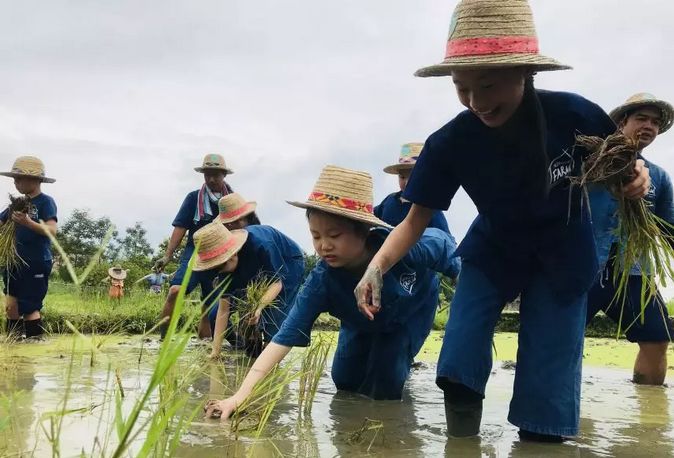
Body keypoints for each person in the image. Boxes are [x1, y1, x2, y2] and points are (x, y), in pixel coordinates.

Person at [353, 0, 651, 442]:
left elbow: (623, 169)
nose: (476, 102)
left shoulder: (574, 116)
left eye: (489, 85)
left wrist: (636, 179)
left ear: (525, 74)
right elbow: (415, 221)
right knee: (458, 358)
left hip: (563, 252)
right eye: (461, 88)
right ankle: (462, 444)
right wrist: (375, 267)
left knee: (546, 390)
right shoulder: (451, 142)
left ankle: (539, 443)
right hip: (493, 249)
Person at [204, 165, 460, 420]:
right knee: (345, 381)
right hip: (358, 320)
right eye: (315, 236)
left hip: (409, 315)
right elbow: (282, 339)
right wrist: (238, 397)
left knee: (386, 381)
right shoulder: (322, 281)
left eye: (334, 235)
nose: (324, 246)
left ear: (364, 231)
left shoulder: (403, 247)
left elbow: (443, 245)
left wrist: (462, 282)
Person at [588, 93, 674, 385]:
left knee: (657, 339)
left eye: (655, 122)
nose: (649, 126)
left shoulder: (659, 178)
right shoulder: (590, 162)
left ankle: (648, 419)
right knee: (564, 338)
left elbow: (669, 228)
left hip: (633, 272)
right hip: (584, 266)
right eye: (642, 118)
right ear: (623, 121)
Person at [191, 221, 305, 359]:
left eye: (221, 266)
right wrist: (215, 352)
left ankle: (268, 362)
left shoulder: (262, 245)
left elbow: (276, 284)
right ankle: (244, 347)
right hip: (250, 268)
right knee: (215, 314)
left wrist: (259, 307)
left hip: (287, 262)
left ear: (233, 254)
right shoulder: (221, 268)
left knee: (273, 318)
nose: (220, 273)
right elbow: (223, 309)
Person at [153, 153, 234, 338]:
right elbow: (180, 227)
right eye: (208, 174)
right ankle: (163, 340)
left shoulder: (231, 200)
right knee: (175, 290)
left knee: (209, 305)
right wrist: (167, 255)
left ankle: (204, 347)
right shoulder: (193, 198)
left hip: (221, 256)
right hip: (195, 253)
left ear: (224, 175)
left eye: (216, 174)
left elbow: (241, 230)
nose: (212, 179)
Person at [0, 156, 57, 339]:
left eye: (19, 178)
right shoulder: (17, 204)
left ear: (34, 179)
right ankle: (13, 346)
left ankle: (34, 345)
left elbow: (51, 230)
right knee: (11, 305)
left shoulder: (45, 202)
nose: (15, 183)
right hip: (13, 261)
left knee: (30, 306)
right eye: (14, 179)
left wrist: (28, 222)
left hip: (35, 262)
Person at [375, 142, 450, 232]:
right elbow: (371, 217)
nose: (406, 183)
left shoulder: (429, 207)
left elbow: (443, 239)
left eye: (412, 177)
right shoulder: (389, 200)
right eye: (402, 177)